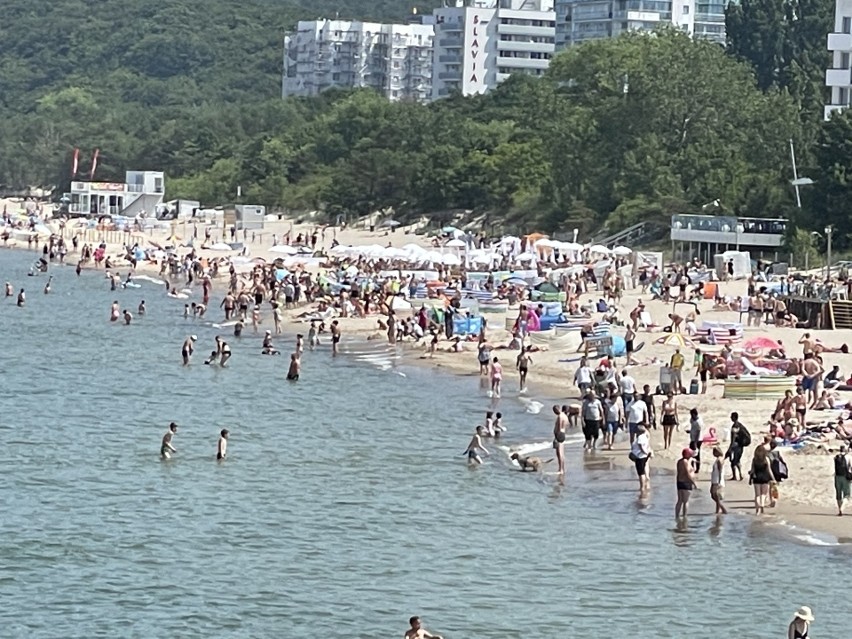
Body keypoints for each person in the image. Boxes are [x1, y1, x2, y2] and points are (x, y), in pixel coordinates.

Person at [750, 445, 776, 515]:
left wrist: (750, 475)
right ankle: (762, 505)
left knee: (757, 495)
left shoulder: (754, 459)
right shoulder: (766, 459)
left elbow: (752, 470)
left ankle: (757, 510)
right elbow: (769, 470)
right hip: (765, 477)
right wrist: (773, 479)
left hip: (757, 478)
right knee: (763, 494)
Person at [725, 413, 751, 481]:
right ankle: (740, 475)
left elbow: (734, 438)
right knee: (737, 460)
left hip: (736, 446)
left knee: (733, 462)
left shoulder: (735, 426)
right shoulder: (740, 425)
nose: (730, 418)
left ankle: (735, 476)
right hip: (740, 446)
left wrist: (730, 448)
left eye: (731, 417)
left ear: (734, 417)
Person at [675, 448, 697, 518]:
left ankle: (677, 516)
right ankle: (685, 517)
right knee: (686, 501)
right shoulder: (686, 462)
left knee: (679, 501)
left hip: (679, 482)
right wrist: (693, 483)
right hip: (686, 482)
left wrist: (691, 462)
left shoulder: (679, 461)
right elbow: (687, 473)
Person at [630, 424, 652, 492]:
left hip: (640, 456)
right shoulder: (644, 436)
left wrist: (645, 452)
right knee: (642, 471)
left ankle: (642, 487)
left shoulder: (640, 437)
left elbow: (641, 446)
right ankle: (644, 485)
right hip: (643, 456)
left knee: (641, 473)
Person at [833, 444, 851, 516]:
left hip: (837, 476)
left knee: (838, 493)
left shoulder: (836, 457)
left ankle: (839, 508)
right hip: (845, 477)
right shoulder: (848, 457)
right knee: (847, 494)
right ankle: (842, 508)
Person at [710, 446, 727, 514]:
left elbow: (720, 471)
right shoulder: (718, 459)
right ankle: (719, 509)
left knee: (715, 495)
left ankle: (721, 509)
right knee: (713, 495)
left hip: (717, 480)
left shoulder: (719, 460)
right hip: (714, 479)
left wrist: (719, 481)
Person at [552, 404, 568, 475]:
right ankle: (562, 468)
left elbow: (559, 426)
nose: (555, 412)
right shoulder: (565, 416)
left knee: (559, 453)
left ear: (558, 409)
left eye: (555, 411)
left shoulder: (560, 416)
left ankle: (561, 469)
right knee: (561, 452)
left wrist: (556, 436)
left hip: (559, 435)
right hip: (563, 433)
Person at [688, 407, 703, 472]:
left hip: (697, 440)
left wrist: (695, 443)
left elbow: (698, 432)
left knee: (696, 454)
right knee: (691, 453)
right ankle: (692, 466)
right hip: (692, 438)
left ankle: (697, 468)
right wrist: (690, 431)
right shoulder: (692, 420)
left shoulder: (698, 422)